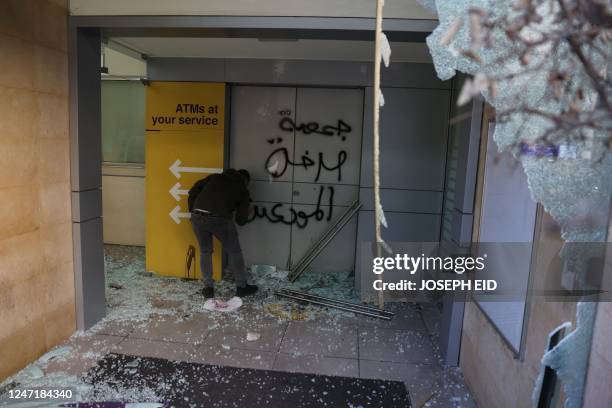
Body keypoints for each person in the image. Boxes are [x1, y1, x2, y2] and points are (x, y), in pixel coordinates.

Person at [188, 168, 258, 299]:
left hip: (197, 216)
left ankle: (208, 288)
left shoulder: (214, 177)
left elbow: (193, 190)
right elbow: (241, 221)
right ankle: (242, 287)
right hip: (219, 218)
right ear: (245, 181)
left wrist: (193, 208)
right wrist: (248, 210)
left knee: (205, 251)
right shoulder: (242, 188)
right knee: (234, 251)